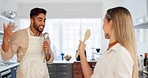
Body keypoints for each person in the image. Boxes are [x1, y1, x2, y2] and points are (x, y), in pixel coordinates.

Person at [78, 6, 138, 78]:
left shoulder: (121, 54)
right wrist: (82, 53)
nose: (102, 27)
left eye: (104, 22)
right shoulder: (109, 52)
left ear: (110, 24)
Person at [0, 7, 54, 78]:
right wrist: (5, 39)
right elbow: (6, 57)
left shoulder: (45, 38)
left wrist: (47, 52)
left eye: (44, 20)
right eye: (40, 20)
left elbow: (50, 60)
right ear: (32, 20)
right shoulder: (20, 35)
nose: (43, 23)